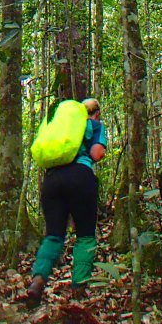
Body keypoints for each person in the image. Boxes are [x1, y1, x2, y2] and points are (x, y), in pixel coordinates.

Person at [26, 97, 107, 305]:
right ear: (96, 113)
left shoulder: (60, 125)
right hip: (80, 176)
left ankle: (37, 280)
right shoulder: (95, 126)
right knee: (85, 236)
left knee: (53, 235)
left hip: (52, 180)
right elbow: (97, 154)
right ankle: (78, 289)